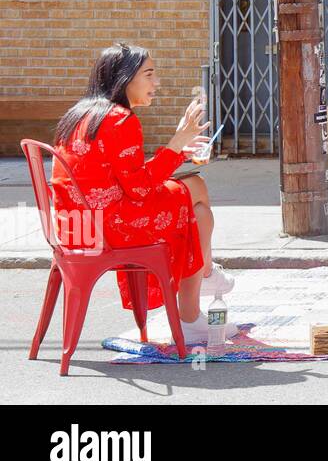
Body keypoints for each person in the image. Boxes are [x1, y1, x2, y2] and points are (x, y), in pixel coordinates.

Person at [51, 44, 235, 344]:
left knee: (195, 199)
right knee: (196, 196)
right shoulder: (121, 120)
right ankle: (196, 298)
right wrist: (176, 145)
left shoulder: (79, 115)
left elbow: (124, 177)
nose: (156, 83)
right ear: (125, 79)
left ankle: (202, 284)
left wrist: (177, 151)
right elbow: (138, 189)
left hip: (76, 228)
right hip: (112, 228)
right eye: (149, 74)